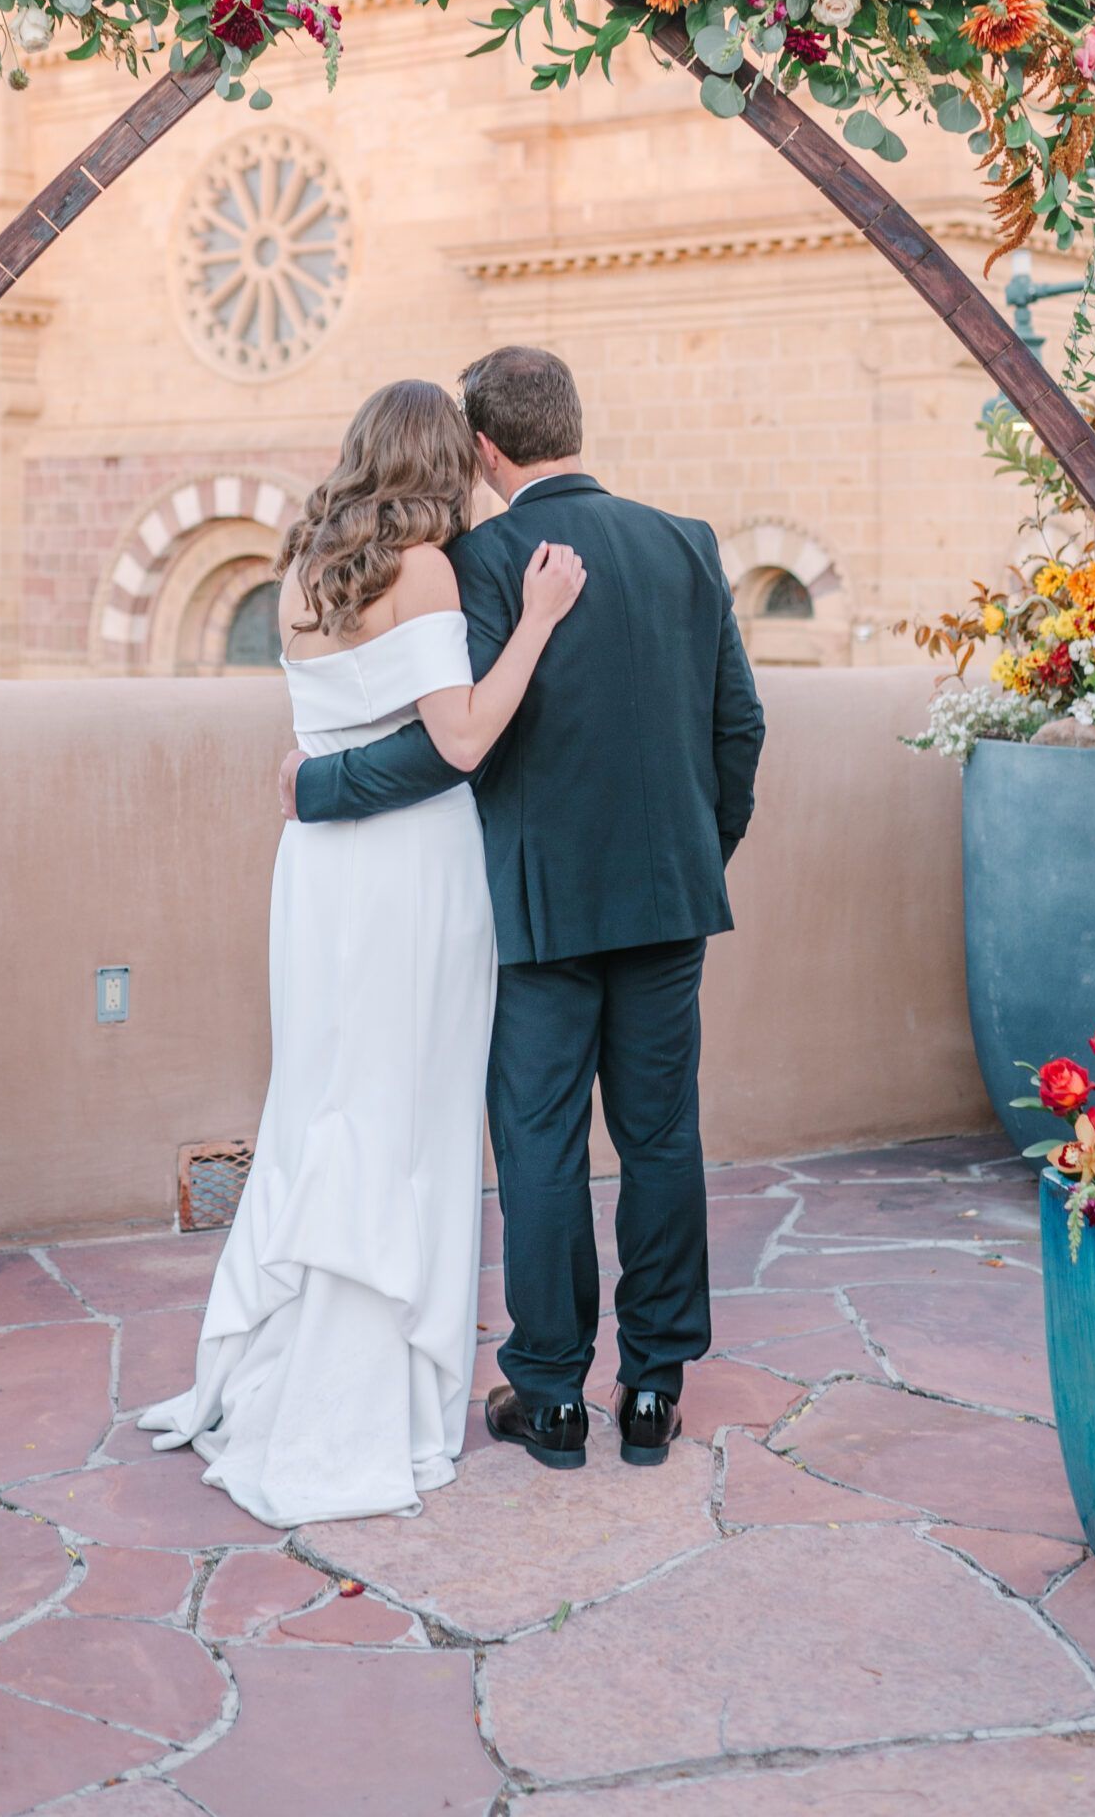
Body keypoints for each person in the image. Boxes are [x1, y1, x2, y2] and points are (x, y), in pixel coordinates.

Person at [283, 346, 764, 1471]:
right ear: (570, 423)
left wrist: (318, 785)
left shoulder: (480, 558)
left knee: (539, 1145)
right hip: (665, 900)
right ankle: (652, 1390)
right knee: (659, 1139)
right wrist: (698, 849)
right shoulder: (685, 544)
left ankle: (548, 1395)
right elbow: (735, 726)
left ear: (486, 447)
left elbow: (448, 750)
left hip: (534, 911)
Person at [140, 380, 584, 1526]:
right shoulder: (425, 570)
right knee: (403, 1112)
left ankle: (284, 1347)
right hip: (410, 873)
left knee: (323, 1096)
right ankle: (371, 1390)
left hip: (319, 872)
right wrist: (535, 620)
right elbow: (464, 737)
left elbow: (319, 736)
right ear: (443, 461)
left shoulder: (299, 569)